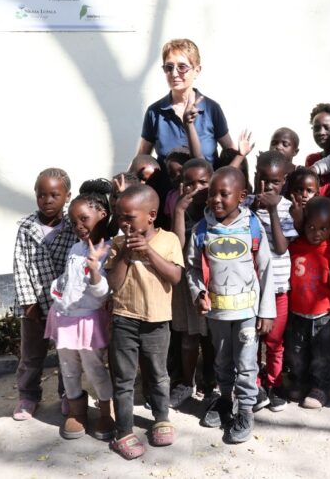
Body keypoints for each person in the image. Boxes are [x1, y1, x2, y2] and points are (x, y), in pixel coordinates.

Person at [187, 166, 276, 444]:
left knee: (247, 364)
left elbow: (266, 269)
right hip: (218, 313)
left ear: (242, 196)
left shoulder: (252, 227)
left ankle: (246, 410)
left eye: (224, 194)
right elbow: (192, 268)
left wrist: (267, 311)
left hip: (247, 312)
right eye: (212, 194)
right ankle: (226, 400)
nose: (216, 199)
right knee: (222, 360)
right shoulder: (202, 229)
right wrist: (198, 293)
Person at [104, 185, 184, 460]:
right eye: (119, 217)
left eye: (129, 217)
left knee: (158, 374)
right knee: (123, 379)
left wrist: (148, 251)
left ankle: (161, 418)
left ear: (151, 215)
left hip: (157, 321)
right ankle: (123, 432)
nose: (123, 223)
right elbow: (114, 283)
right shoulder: (118, 244)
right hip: (124, 318)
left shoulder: (169, 240)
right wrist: (126, 254)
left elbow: (175, 276)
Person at [46, 183, 115, 441]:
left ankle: (107, 411)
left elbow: (103, 293)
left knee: (94, 368)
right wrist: (57, 292)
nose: (79, 226)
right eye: (74, 222)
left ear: (102, 215)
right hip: (64, 318)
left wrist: (95, 269)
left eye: (84, 219)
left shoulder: (110, 249)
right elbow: (67, 280)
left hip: (88, 320)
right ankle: (77, 411)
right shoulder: (75, 249)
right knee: (68, 368)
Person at [12, 168, 78, 421]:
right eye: (41, 195)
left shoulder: (74, 227)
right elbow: (20, 266)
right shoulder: (27, 228)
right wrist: (29, 305)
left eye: (54, 195)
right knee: (31, 355)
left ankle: (68, 394)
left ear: (67, 196)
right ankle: (28, 396)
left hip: (65, 305)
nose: (47, 200)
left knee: (66, 354)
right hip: (34, 304)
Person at [247, 150, 298, 413]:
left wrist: (273, 211)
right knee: (252, 341)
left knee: (275, 342)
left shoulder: (287, 208)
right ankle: (255, 385)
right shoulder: (246, 205)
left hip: (278, 288)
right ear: (255, 176)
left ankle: (274, 384)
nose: (267, 186)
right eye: (263, 179)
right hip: (251, 288)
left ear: (284, 182)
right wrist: (253, 209)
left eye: (275, 182)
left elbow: (280, 247)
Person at [168, 158, 217, 409]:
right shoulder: (181, 212)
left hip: (212, 283)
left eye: (203, 183)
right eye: (190, 183)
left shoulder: (218, 210)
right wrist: (178, 211)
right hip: (187, 285)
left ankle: (211, 381)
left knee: (212, 339)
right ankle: (187, 383)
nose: (196, 188)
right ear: (181, 186)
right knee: (188, 338)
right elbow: (176, 246)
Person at [137, 38, 234, 167]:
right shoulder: (155, 112)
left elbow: (230, 153)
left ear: (197, 70)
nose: (174, 73)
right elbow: (141, 159)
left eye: (182, 67)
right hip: (167, 181)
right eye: (169, 67)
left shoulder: (211, 109)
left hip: (206, 180)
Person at [285, 197, 330, 409]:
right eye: (311, 227)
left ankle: (320, 387)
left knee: (323, 354)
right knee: (296, 351)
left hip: (324, 314)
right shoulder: (295, 246)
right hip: (297, 311)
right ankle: (299, 381)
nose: (316, 233)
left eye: (323, 229)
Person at [304, 103, 330, 197]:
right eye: (316, 128)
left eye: (326, 127)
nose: (321, 132)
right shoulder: (313, 160)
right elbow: (311, 195)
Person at [287, 167, 320, 234]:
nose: (304, 195)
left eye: (309, 191)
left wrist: (299, 220)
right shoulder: (283, 211)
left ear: (317, 194)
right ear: (290, 191)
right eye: (299, 190)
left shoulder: (319, 215)